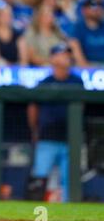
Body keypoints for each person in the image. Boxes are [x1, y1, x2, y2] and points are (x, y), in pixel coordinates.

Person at [27, 43, 84, 202]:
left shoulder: (77, 81)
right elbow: (33, 107)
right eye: (61, 54)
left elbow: (83, 108)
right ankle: (36, 215)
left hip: (70, 139)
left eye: (67, 54)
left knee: (70, 181)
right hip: (47, 137)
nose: (66, 57)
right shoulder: (45, 82)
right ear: (52, 58)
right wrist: (35, 130)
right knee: (40, 178)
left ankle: (68, 220)